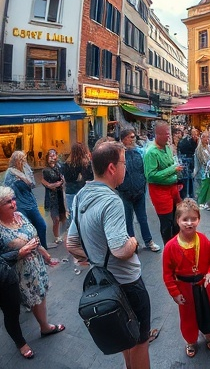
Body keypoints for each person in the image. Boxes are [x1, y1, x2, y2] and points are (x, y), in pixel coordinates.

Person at [66, 142, 151, 369]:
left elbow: (71, 243)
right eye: (124, 163)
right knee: (141, 341)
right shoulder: (112, 200)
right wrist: (133, 242)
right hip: (128, 283)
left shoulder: (80, 196)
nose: (127, 168)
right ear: (112, 168)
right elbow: (120, 250)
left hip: (104, 283)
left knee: (125, 334)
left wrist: (94, 257)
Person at [0, 186, 65, 347]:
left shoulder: (20, 216)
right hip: (15, 275)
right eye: (8, 202)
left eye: (13, 199)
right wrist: (19, 253)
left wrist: (45, 255)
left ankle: (45, 327)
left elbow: (34, 237)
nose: (14, 203)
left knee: (40, 297)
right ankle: (21, 342)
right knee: (15, 309)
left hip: (36, 267)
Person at [162, 198, 210, 358]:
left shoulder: (203, 240)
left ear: (199, 219)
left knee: (207, 312)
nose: (189, 223)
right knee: (188, 316)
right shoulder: (170, 247)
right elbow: (167, 274)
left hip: (204, 286)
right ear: (177, 220)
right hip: (184, 288)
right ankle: (190, 341)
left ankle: (209, 335)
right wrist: (175, 293)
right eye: (185, 219)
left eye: (193, 219)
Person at [117, 128, 160, 253]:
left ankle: (148, 241)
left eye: (134, 136)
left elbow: (144, 169)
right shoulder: (118, 153)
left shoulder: (139, 152)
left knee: (142, 217)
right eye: (131, 137)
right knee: (128, 219)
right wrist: (119, 187)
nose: (133, 139)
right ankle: (132, 244)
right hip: (125, 192)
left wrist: (143, 184)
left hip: (139, 191)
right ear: (124, 138)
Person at [143, 121, 183, 245]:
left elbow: (171, 163)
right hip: (160, 193)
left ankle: (177, 245)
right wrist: (173, 170)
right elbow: (150, 176)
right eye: (166, 134)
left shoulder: (166, 147)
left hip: (173, 189)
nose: (168, 136)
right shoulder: (151, 152)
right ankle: (169, 248)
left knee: (177, 220)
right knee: (166, 223)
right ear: (158, 135)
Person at [3, 151, 49, 249]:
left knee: (41, 226)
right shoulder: (10, 173)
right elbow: (7, 191)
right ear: (16, 160)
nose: (24, 161)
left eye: (24, 159)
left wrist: (25, 176)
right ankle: (34, 250)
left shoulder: (25, 169)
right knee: (28, 230)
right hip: (20, 205)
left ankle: (43, 248)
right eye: (22, 159)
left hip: (31, 203)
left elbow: (32, 184)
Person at [61, 142, 93, 224]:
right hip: (84, 191)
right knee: (85, 214)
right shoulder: (87, 164)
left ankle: (73, 233)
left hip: (70, 191)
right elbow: (92, 177)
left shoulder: (66, 165)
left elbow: (66, 179)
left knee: (72, 214)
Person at [41, 149, 66, 244]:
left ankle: (61, 233)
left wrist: (62, 182)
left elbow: (63, 179)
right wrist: (53, 185)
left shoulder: (58, 167)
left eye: (54, 155)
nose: (52, 157)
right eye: (50, 156)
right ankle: (56, 236)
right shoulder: (46, 170)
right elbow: (45, 183)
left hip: (59, 195)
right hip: (51, 197)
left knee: (62, 216)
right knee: (56, 218)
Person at [194, 131, 210, 211]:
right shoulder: (199, 150)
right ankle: (201, 202)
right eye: (205, 137)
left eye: (208, 137)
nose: (207, 139)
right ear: (202, 138)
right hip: (203, 172)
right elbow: (199, 162)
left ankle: (207, 202)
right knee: (203, 187)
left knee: (209, 187)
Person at [178, 128, 199, 199]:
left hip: (188, 160)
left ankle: (190, 194)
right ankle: (188, 195)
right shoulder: (189, 140)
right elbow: (193, 150)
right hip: (187, 160)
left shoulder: (190, 140)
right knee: (187, 178)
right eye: (194, 133)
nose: (195, 135)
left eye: (196, 133)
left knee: (189, 178)